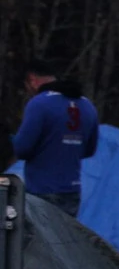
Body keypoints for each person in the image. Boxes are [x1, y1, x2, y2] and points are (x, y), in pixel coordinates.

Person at [10, 59, 99, 217]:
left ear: (32, 80)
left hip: (42, 190)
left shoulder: (39, 103)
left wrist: (12, 139)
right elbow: (89, 150)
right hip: (72, 191)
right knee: (65, 233)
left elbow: (22, 149)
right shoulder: (87, 105)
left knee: (40, 233)